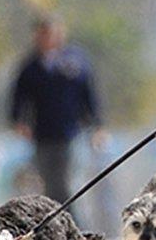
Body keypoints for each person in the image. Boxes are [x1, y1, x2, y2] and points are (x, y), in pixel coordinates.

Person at [10, 17, 107, 205]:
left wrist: (98, 126)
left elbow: (89, 95)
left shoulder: (75, 62)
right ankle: (57, 225)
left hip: (70, 132)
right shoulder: (31, 66)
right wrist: (19, 121)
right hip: (43, 133)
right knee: (49, 183)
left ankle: (75, 228)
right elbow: (19, 96)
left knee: (67, 184)